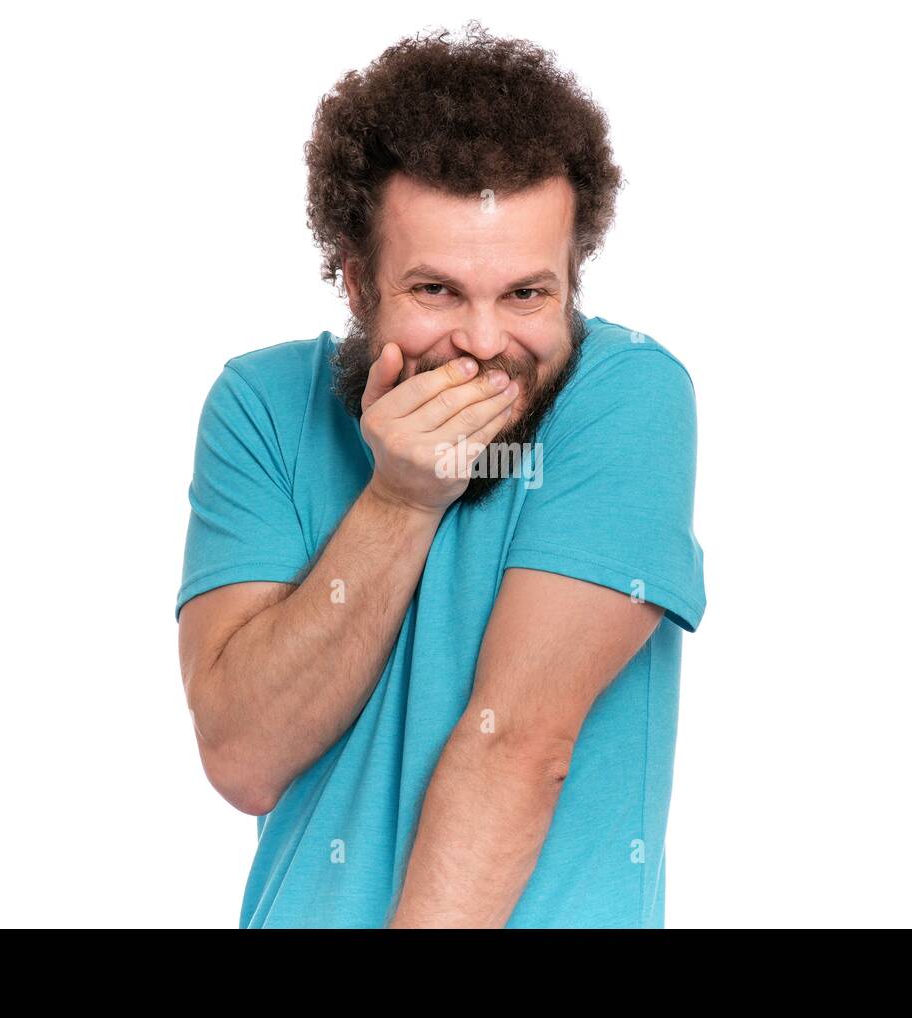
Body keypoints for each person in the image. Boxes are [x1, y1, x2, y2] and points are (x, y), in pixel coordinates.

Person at [175, 21, 706, 928]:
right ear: (355, 282)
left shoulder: (627, 394)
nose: (489, 343)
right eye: (437, 292)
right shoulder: (261, 403)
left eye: (527, 294)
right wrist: (401, 498)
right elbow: (243, 757)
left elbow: (519, 748)